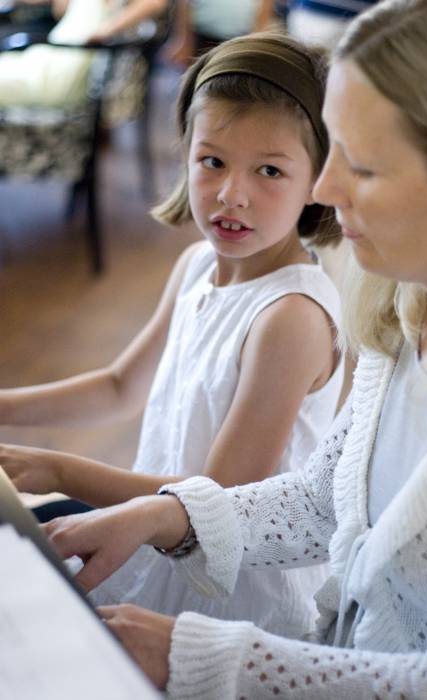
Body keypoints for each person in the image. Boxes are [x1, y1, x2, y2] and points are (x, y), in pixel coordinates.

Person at [36, 0, 427, 696]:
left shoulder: (295, 313)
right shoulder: (399, 312)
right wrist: (161, 513)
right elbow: (324, 497)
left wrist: (201, 656)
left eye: (360, 164)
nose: (322, 189)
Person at [1, 33, 345, 633]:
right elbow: (118, 387)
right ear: (184, 152)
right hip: (152, 537)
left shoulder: (290, 316)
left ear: (317, 180)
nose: (231, 195)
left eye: (269, 170)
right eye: (212, 161)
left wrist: (58, 470)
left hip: (231, 594)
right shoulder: (195, 266)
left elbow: (218, 498)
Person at [0, 0, 167, 107]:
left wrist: (107, 30)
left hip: (68, 65)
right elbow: (61, 10)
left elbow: (155, 3)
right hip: (55, 52)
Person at [164, 0, 276, 67]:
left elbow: (265, 7)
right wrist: (183, 41)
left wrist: (256, 42)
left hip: (239, 39)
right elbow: (185, 4)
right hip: (202, 36)